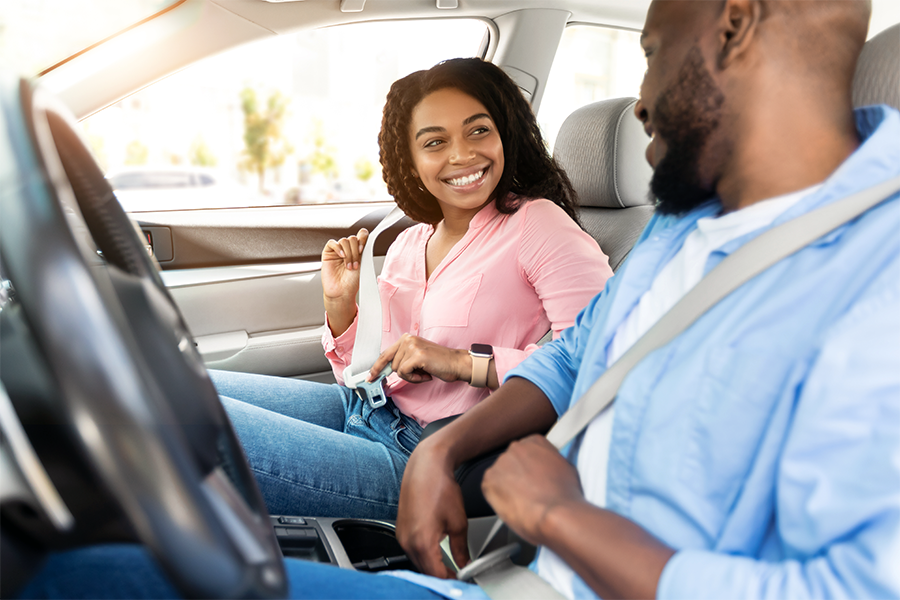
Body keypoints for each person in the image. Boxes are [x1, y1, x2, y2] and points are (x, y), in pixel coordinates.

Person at [16, 1, 900, 599]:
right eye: (432, 141)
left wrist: (557, 513)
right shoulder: (685, 225)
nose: (635, 102)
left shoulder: (875, 282)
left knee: (78, 571)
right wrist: (434, 430)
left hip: (541, 554)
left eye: (651, 50)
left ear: (734, 22)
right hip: (474, 519)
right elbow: (574, 353)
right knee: (161, 427)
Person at [207, 57, 613, 519]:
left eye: (478, 131)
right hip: (362, 407)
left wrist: (462, 363)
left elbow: (601, 357)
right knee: (183, 388)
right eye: (436, 142)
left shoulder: (536, 224)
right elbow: (365, 371)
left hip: (419, 457)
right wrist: (340, 308)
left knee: (194, 427)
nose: (462, 155)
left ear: (505, 134)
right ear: (412, 160)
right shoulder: (409, 240)